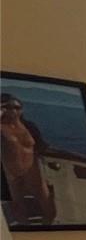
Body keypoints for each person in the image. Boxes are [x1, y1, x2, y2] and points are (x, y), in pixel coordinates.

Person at [0, 92, 57, 226]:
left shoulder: (29, 126)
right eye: (7, 107)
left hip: (33, 171)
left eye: (17, 107)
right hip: (10, 175)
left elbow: (41, 146)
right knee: (17, 208)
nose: (13, 111)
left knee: (49, 207)